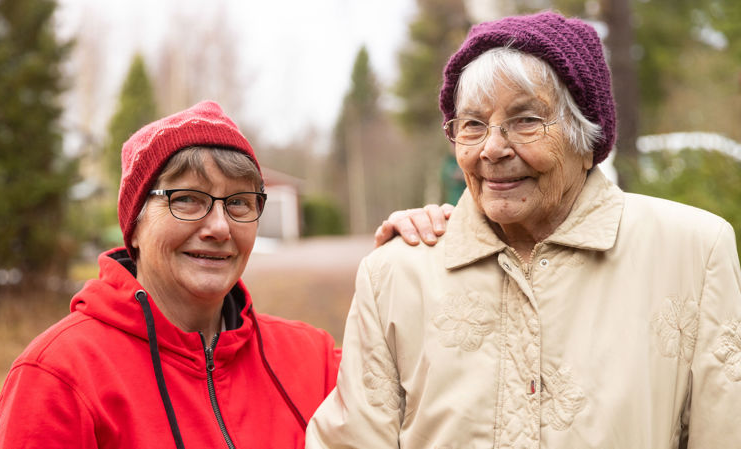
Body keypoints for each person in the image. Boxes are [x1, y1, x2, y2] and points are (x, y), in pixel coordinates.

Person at [306, 11, 741, 449]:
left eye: (526, 120)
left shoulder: (692, 253)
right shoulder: (395, 274)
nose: (492, 149)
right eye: (472, 125)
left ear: (587, 139)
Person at [0, 100, 449, 449]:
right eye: (187, 198)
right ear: (135, 225)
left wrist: (436, 257)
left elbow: (438, 400)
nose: (219, 227)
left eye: (240, 203)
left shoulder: (310, 359)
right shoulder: (60, 375)